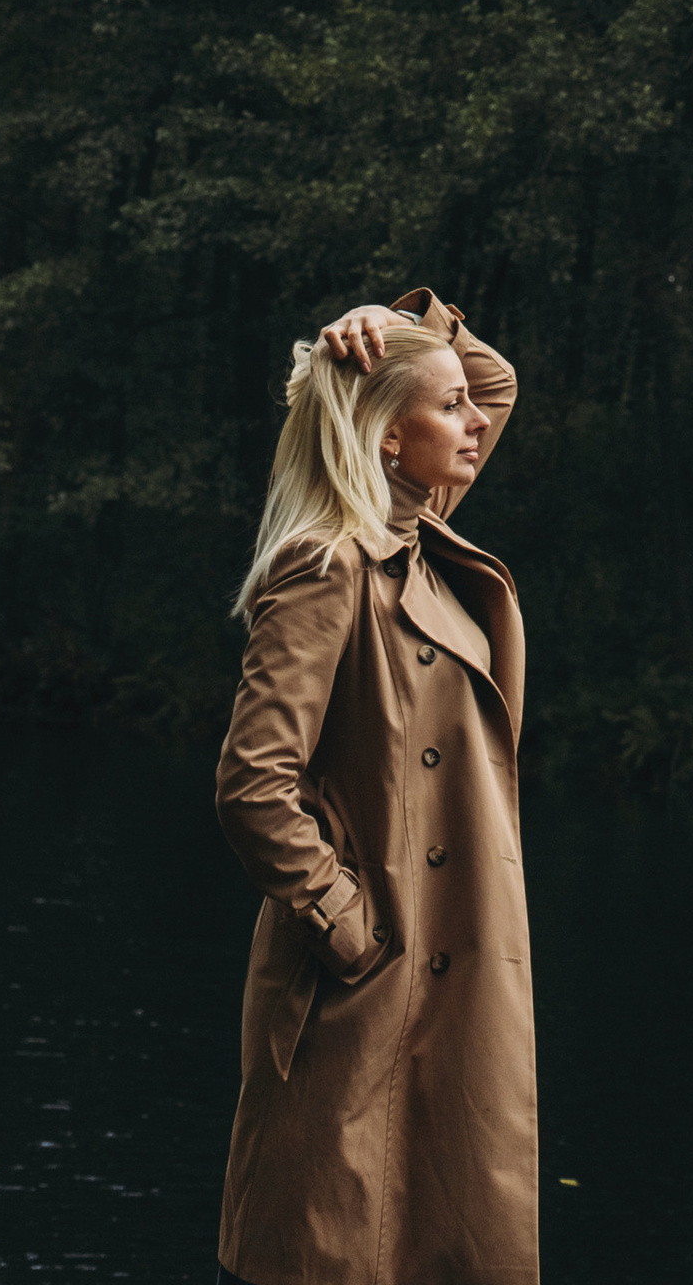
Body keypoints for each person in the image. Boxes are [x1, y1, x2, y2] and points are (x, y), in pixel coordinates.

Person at [213, 288, 535, 1285]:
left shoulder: (416, 532)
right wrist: (347, 922)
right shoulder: (328, 564)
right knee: (331, 1247)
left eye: (459, 406)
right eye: (443, 409)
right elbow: (252, 785)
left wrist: (399, 317)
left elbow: (496, 382)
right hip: (367, 984)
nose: (473, 420)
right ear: (389, 438)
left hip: (454, 969)